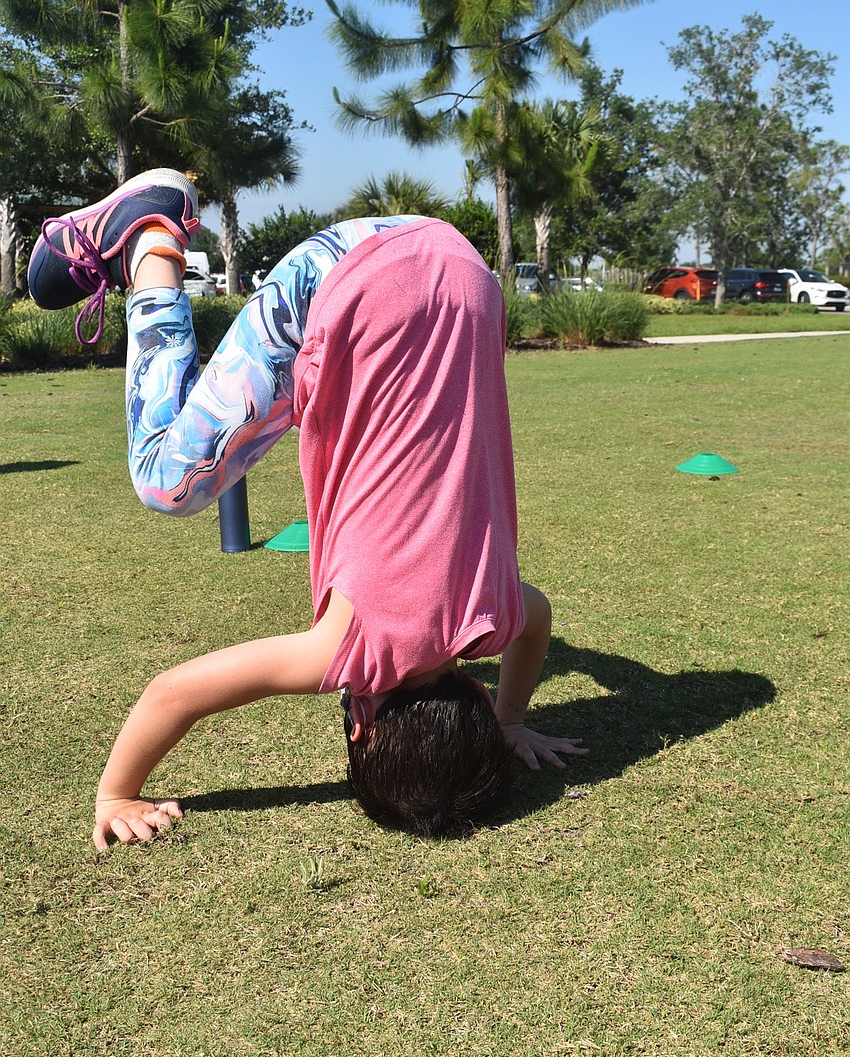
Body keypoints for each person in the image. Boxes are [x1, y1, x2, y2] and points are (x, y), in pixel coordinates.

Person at [28, 170, 587, 851]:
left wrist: (511, 722)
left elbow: (540, 624)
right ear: (361, 726)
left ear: (473, 689)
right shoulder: (346, 652)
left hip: (462, 273)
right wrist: (116, 793)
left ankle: (149, 246)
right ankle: (149, 241)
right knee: (166, 481)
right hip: (342, 281)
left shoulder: (495, 616)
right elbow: (172, 693)